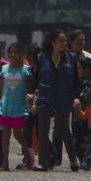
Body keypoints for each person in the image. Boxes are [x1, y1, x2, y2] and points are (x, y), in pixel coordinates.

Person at [28, 30, 80, 172]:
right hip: (46, 97)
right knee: (43, 131)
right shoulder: (41, 57)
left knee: (64, 129)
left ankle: (73, 160)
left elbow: (76, 80)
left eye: (65, 40)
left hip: (64, 97)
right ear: (52, 42)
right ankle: (43, 162)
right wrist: (30, 92)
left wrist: (76, 97)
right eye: (61, 40)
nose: (65, 43)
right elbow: (37, 78)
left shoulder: (71, 58)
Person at [0, 42, 32, 171]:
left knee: (17, 133)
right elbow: (1, 89)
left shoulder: (26, 70)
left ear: (22, 54)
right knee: (5, 135)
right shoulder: (4, 69)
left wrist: (31, 98)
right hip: (5, 106)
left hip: (19, 107)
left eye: (16, 52)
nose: (13, 55)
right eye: (11, 52)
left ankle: (28, 155)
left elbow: (30, 87)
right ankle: (5, 163)